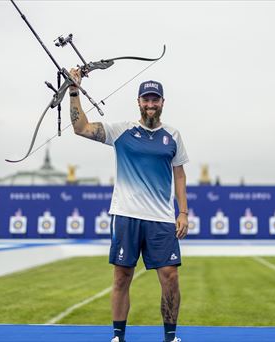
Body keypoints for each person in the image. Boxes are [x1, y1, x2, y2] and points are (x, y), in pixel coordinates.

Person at [68, 68, 189, 342]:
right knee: (122, 276)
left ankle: (170, 337)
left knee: (170, 277)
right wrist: (74, 91)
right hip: (125, 215)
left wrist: (182, 212)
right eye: (145, 99)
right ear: (138, 102)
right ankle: (118, 337)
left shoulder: (173, 135)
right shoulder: (122, 131)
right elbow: (81, 128)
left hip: (161, 218)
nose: (150, 104)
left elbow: (179, 175)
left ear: (162, 103)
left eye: (154, 99)